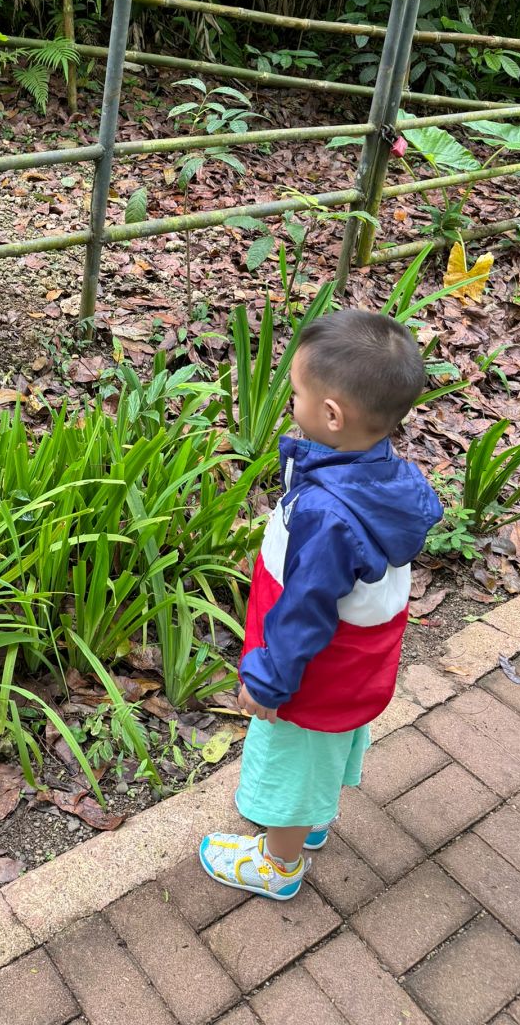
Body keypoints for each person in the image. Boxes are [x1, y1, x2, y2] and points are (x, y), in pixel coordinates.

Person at [199, 308, 443, 900]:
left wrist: (268, 682)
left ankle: (278, 866)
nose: (291, 403)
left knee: (292, 759)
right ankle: (304, 825)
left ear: (330, 415)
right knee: (320, 752)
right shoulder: (381, 476)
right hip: (357, 661)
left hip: (313, 671)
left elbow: (306, 613)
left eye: (297, 394)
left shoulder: (327, 517)